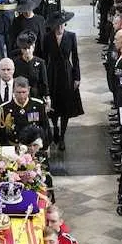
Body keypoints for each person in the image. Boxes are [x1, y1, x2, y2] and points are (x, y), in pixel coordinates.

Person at [43, 10, 82, 150]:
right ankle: (55, 128)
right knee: (53, 103)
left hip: (67, 72)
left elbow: (76, 58)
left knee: (66, 106)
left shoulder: (71, 36)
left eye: (62, 25)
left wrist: (77, 77)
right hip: (52, 71)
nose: (60, 28)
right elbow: (43, 58)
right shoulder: (47, 38)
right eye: (57, 25)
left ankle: (63, 136)